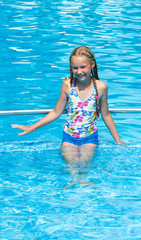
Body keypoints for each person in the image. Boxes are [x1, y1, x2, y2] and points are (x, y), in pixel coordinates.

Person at [12, 46, 124, 188]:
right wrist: (32, 127)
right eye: (75, 68)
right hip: (69, 137)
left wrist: (118, 140)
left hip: (90, 137)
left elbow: (106, 114)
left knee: (83, 164)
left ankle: (83, 182)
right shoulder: (67, 85)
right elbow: (56, 112)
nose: (79, 72)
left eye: (83, 67)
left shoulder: (100, 87)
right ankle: (74, 182)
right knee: (72, 165)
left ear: (92, 64)